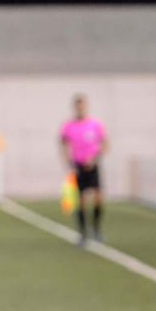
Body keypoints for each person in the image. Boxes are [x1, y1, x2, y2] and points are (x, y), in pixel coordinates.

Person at [59, 94, 107, 244]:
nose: (81, 108)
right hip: (78, 165)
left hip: (92, 165)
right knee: (81, 200)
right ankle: (82, 233)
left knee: (98, 197)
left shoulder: (95, 125)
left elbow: (105, 143)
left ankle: (96, 229)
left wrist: (94, 158)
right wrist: (68, 160)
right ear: (75, 107)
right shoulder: (69, 126)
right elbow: (63, 143)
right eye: (78, 106)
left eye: (83, 105)